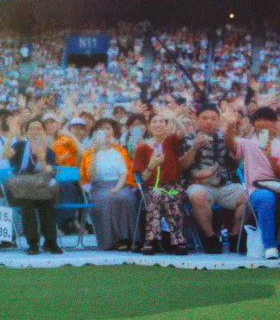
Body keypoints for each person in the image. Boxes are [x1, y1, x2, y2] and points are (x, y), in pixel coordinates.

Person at [179, 103, 245, 252]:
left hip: (225, 185)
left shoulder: (225, 138)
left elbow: (237, 160)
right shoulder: (187, 139)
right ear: (197, 119)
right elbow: (181, 167)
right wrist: (194, 148)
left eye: (213, 119)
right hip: (199, 185)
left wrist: (229, 131)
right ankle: (211, 237)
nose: (209, 122)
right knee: (198, 196)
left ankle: (235, 235)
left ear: (218, 121)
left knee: (248, 196)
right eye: (205, 118)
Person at [224, 105, 280, 259]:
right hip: (257, 190)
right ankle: (270, 246)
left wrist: (270, 157)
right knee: (266, 198)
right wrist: (229, 126)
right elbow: (232, 144)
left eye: (268, 120)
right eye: (259, 120)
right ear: (254, 123)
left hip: (277, 187)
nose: (263, 123)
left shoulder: (278, 145)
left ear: (275, 122)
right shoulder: (248, 144)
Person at [3, 116, 62, 255]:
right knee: (27, 203)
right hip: (23, 188)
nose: (35, 131)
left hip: (41, 187)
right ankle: (32, 242)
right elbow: (5, 155)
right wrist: (11, 136)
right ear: (26, 132)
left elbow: (48, 171)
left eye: (38, 128)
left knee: (47, 202)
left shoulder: (49, 152)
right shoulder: (20, 146)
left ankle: (50, 241)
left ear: (44, 132)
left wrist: (42, 159)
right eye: (31, 129)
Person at [132, 111, 187, 255]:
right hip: (152, 188)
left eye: (162, 121)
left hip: (172, 186)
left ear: (166, 124)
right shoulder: (143, 148)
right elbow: (142, 179)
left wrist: (174, 117)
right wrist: (151, 166)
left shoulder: (171, 142)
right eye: (154, 121)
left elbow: (182, 132)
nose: (158, 124)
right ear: (149, 126)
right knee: (158, 194)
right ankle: (178, 239)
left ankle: (150, 239)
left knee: (164, 196)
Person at [79, 117, 138, 251]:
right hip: (99, 186)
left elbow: (125, 173)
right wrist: (95, 152)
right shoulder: (89, 153)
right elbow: (91, 176)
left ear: (113, 131)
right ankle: (112, 240)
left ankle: (129, 238)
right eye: (101, 129)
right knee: (107, 198)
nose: (105, 132)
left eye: (108, 129)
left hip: (120, 184)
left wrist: (117, 187)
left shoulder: (121, 151)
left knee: (127, 198)